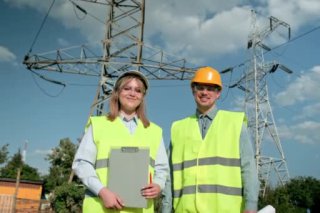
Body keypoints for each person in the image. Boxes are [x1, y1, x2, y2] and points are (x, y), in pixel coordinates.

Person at [162, 66, 260, 213]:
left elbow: (249, 169)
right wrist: (165, 209)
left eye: (210, 88)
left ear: (218, 93)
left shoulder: (235, 123)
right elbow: (169, 176)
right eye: (200, 88)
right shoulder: (178, 128)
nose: (204, 92)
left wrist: (251, 205)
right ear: (193, 91)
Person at [72, 70, 169, 213]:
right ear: (117, 92)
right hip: (100, 208)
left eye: (138, 90)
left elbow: (161, 169)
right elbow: (82, 164)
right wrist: (102, 191)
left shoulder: (155, 131)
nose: (132, 93)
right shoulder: (98, 125)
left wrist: (158, 185)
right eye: (127, 88)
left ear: (142, 97)